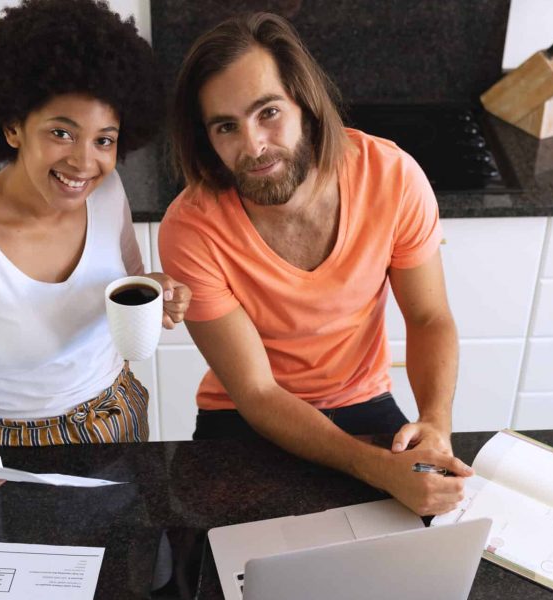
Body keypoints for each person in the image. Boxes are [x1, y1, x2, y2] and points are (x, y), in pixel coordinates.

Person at [158, 12, 470, 516]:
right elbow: (257, 392)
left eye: (268, 113)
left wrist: (435, 421)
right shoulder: (191, 227)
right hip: (243, 415)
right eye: (226, 127)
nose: (253, 146)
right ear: (207, 139)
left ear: (305, 103)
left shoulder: (392, 178)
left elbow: (429, 317)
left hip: (362, 401)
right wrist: (372, 467)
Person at [0, 0, 190, 498]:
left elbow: (127, 278)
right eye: (62, 132)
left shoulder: (107, 193)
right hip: (15, 448)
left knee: (136, 564)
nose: (84, 162)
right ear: (14, 126)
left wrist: (157, 288)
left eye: (105, 140)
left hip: (117, 413)